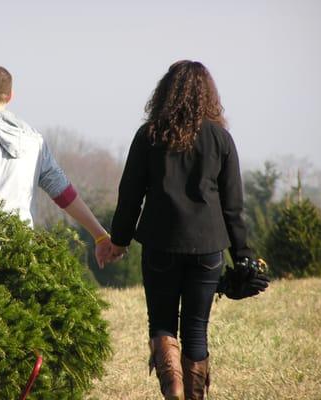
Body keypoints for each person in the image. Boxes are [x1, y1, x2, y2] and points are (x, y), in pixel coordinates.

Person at [109, 60, 254, 400]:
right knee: (195, 330)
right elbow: (233, 207)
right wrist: (244, 255)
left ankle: (172, 387)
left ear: (165, 92)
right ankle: (192, 395)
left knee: (161, 322)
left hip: (160, 243)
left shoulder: (149, 135)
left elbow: (130, 195)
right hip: (207, 248)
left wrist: (119, 240)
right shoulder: (221, 139)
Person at [0, 65, 112, 266]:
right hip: (23, 254)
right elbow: (63, 192)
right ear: (10, 96)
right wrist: (100, 235)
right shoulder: (34, 140)